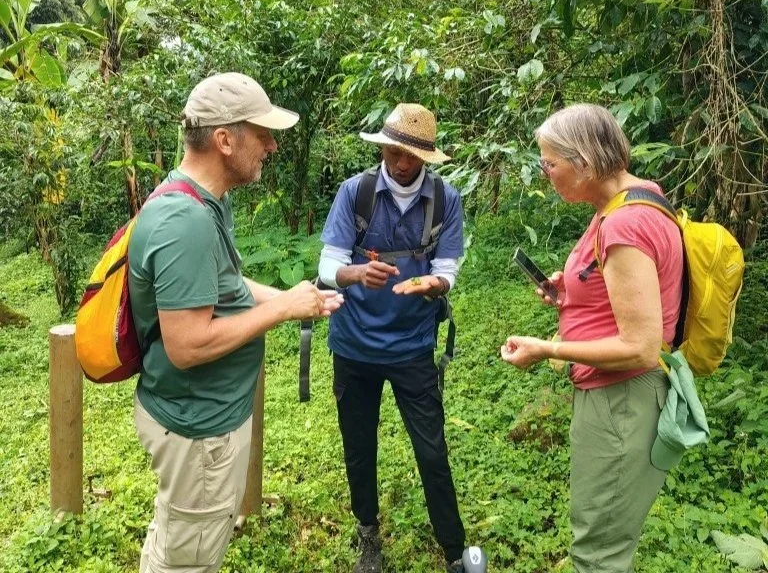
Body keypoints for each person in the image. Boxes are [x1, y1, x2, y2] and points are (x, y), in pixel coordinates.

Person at [128, 72, 343, 573]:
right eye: (261, 133)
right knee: (188, 563)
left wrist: (298, 296)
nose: (271, 146)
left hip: (206, 417)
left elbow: (227, 289)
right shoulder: (186, 221)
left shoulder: (207, 202)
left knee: (177, 538)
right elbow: (187, 344)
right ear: (224, 139)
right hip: (197, 426)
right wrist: (282, 309)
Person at [500, 103, 683, 572]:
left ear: (583, 162)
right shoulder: (634, 197)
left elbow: (640, 345)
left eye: (549, 163)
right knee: (601, 532)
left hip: (620, 398)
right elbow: (621, 280)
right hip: (617, 394)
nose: (545, 173)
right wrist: (573, 286)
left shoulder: (624, 223)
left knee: (598, 549)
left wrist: (548, 349)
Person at [318, 103, 469, 573]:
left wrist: (435, 284)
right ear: (382, 147)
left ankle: (454, 553)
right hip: (354, 344)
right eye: (394, 152)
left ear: (427, 157)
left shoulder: (445, 200)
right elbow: (327, 264)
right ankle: (368, 536)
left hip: (412, 345)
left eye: (412, 156)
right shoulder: (355, 193)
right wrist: (356, 273)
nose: (402, 164)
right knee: (359, 448)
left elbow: (447, 267)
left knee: (432, 450)